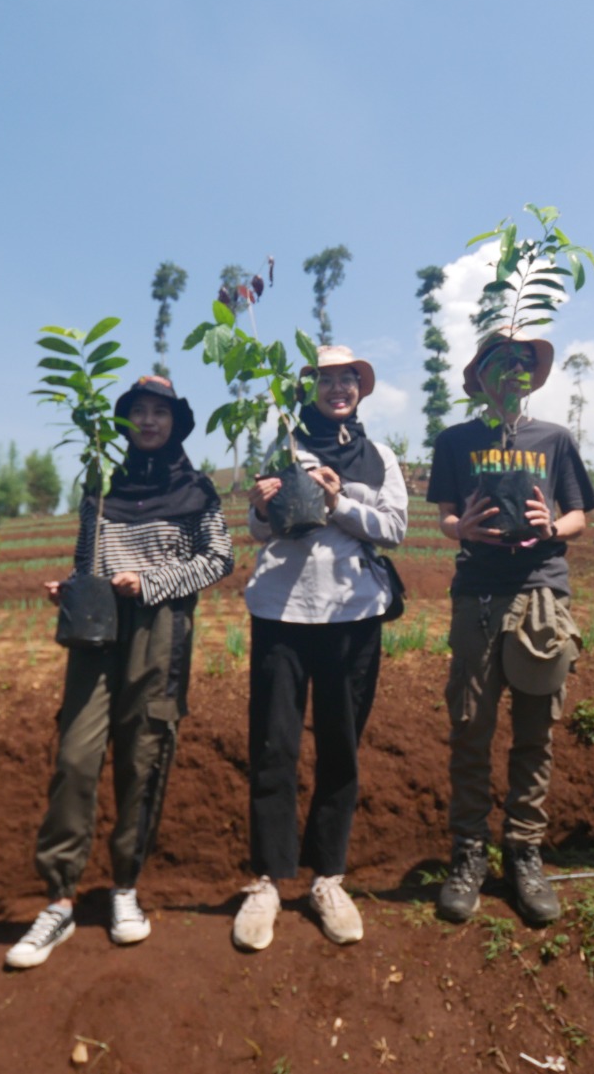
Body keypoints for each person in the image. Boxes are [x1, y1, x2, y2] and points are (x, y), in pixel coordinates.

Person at [6, 375, 234, 969]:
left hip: (158, 633)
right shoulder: (102, 486)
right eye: (138, 413)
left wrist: (153, 583)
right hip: (96, 630)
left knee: (144, 755)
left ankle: (125, 889)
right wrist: (72, 587)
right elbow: (89, 558)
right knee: (75, 758)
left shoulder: (196, 489)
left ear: (175, 423)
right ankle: (58, 900)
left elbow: (220, 558)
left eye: (160, 412)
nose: (149, 421)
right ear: (124, 424)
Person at [230, 346, 408, 951]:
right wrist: (259, 509)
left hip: (353, 613)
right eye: (327, 379)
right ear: (310, 388)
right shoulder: (283, 448)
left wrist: (338, 502)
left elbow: (397, 528)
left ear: (361, 389)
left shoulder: (378, 457)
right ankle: (267, 881)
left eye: (347, 379)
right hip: (281, 611)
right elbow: (258, 528)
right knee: (274, 745)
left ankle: (327, 877)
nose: (338, 388)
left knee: (341, 746)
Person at [428, 330, 593, 926]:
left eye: (525, 362)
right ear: (481, 375)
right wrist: (459, 528)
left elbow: (578, 514)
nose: (514, 370)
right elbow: (446, 514)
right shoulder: (456, 440)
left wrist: (553, 524)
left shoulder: (554, 438)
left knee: (535, 730)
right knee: (470, 725)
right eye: (502, 361)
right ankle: (468, 852)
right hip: (477, 593)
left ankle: (524, 851)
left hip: (541, 592)